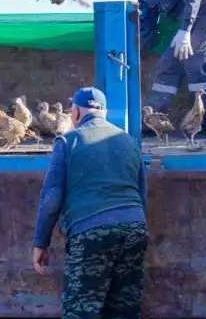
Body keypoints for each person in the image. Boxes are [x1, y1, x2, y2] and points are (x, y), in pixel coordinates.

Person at [32, 87, 149, 319]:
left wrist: (40, 242)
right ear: (104, 112)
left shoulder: (67, 142)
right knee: (125, 309)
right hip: (135, 228)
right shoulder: (128, 141)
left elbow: (52, 198)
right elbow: (142, 193)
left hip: (92, 231)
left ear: (75, 112)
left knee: (81, 310)